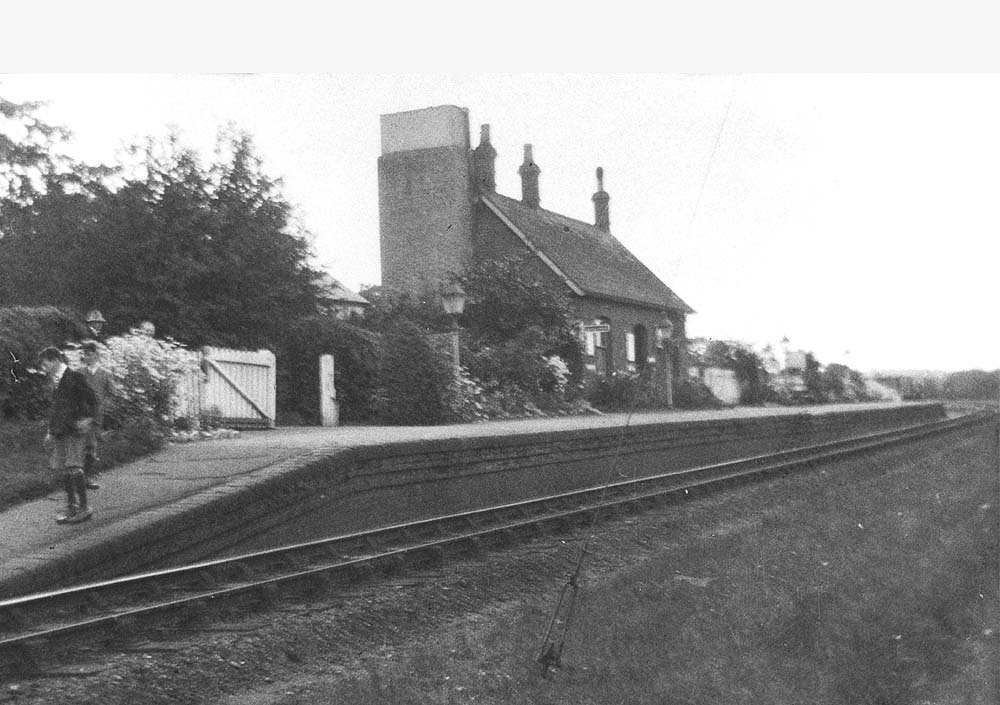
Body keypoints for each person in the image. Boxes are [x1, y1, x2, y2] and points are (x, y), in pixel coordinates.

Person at [38, 346, 97, 524]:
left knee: (73, 466)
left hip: (74, 429)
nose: (43, 367)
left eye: (45, 363)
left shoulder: (74, 377)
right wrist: (50, 432)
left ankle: (84, 507)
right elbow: (56, 410)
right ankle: (71, 506)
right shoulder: (55, 380)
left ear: (55, 360)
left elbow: (93, 400)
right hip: (60, 431)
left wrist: (88, 419)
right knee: (64, 467)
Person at [79, 340, 114, 490]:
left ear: (96, 355)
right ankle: (79, 477)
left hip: (96, 415)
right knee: (79, 445)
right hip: (81, 414)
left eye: (90, 354)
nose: (87, 357)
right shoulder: (79, 372)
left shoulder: (105, 374)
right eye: (85, 354)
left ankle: (87, 477)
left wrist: (104, 406)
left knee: (91, 446)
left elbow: (112, 393)